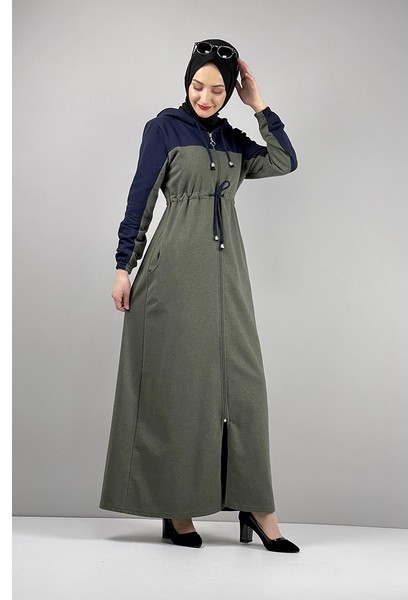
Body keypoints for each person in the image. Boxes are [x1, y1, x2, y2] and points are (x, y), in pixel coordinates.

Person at [99, 38, 300, 553]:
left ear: (230, 92)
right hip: (171, 273)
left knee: (244, 385)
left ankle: (258, 507)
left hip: (228, 274)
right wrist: (124, 266)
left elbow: (284, 161)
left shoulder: (233, 138)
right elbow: (141, 199)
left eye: (217, 90)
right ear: (186, 82)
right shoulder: (163, 129)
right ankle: (177, 510)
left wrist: (259, 105)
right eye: (197, 85)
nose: (204, 97)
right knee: (181, 390)